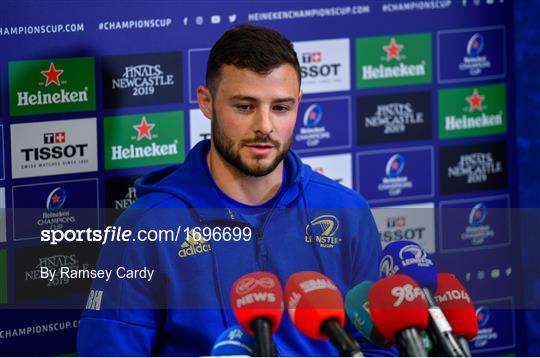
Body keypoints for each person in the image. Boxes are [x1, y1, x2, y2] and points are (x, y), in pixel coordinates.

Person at [77, 24, 394, 356]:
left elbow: (377, 346)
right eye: (245, 106)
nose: (265, 126)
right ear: (207, 102)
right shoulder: (146, 226)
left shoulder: (347, 211)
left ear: (299, 104)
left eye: (281, 108)